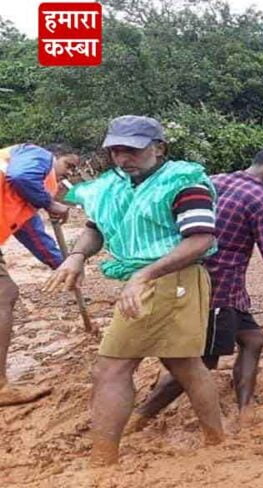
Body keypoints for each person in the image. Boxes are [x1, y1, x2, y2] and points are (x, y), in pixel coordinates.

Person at [44, 116, 224, 465]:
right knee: (184, 363)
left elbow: (201, 239)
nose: (123, 158)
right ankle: (217, 441)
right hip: (153, 281)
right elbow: (96, 228)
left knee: (111, 368)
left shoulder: (184, 183)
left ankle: (102, 463)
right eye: (116, 151)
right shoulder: (114, 185)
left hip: (170, 279)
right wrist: (77, 256)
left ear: (158, 148)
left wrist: (145, 275)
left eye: (132, 150)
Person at [129, 148, 263, 430]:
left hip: (196, 283)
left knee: (252, 340)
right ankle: (140, 418)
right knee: (200, 363)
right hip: (218, 290)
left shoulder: (213, 181)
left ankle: (246, 410)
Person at [0, 143, 79, 406]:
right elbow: (21, 176)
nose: (66, 174)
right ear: (56, 157)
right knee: (5, 293)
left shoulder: (22, 196)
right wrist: (50, 202)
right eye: (67, 166)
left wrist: (64, 265)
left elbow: (33, 234)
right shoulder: (35, 155)